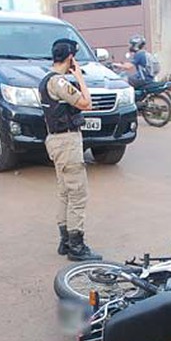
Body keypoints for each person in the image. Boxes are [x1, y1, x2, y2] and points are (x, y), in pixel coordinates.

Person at [38, 38, 102, 261]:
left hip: (56, 141)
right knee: (77, 194)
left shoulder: (46, 80)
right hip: (66, 143)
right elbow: (86, 103)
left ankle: (65, 241)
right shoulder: (58, 82)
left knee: (65, 192)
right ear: (70, 58)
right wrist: (80, 78)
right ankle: (77, 246)